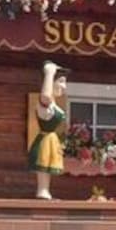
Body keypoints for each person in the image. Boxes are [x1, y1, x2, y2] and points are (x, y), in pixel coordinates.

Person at [29, 61, 70, 200]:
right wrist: (49, 72)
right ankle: (42, 189)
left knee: (48, 166)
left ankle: (45, 189)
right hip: (45, 140)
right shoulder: (45, 104)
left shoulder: (54, 106)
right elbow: (46, 96)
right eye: (61, 81)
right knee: (43, 163)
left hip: (51, 140)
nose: (64, 87)